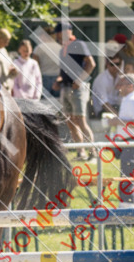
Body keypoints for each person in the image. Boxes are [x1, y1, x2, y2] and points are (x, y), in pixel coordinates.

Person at [53, 22, 96, 160]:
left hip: (77, 88)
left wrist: (80, 80)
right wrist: (58, 81)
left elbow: (91, 63)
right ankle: (81, 152)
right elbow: (63, 70)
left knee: (81, 120)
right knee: (70, 121)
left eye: (59, 33)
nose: (58, 36)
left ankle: (92, 153)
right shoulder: (62, 49)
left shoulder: (78, 44)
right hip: (65, 86)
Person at [108, 74, 134, 204]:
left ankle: (127, 214)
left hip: (132, 142)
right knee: (132, 177)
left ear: (130, 86)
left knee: (127, 179)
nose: (119, 87)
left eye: (122, 84)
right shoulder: (129, 99)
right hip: (128, 142)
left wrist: (118, 122)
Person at [33, 27, 62, 98]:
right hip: (57, 78)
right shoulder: (60, 48)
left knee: (44, 104)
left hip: (43, 78)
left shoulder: (39, 48)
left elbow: (35, 66)